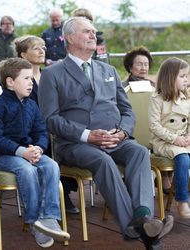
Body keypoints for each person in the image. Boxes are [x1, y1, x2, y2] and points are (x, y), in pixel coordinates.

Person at [38, 16, 174, 250]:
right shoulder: (52, 74)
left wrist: (122, 132)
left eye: (94, 31)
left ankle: (142, 216)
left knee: (140, 152)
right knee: (103, 161)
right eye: (87, 31)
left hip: (115, 138)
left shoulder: (107, 69)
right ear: (69, 38)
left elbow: (127, 111)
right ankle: (140, 228)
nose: (93, 35)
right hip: (76, 144)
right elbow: (51, 120)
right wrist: (87, 135)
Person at [0, 57, 70, 248]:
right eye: (26, 78)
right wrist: (22, 152)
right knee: (27, 170)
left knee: (51, 165)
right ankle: (33, 222)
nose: (31, 82)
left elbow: (41, 131)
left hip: (29, 152)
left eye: (32, 78)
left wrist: (38, 148)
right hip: (3, 156)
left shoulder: (32, 105)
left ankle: (48, 218)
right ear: (10, 82)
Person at [14, 35, 79, 214]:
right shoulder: (18, 80)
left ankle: (63, 190)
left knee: (70, 136)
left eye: (43, 47)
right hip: (31, 130)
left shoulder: (49, 75)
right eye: (36, 48)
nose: (42, 50)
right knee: (49, 141)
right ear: (23, 55)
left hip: (55, 124)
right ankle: (54, 196)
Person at [123, 46, 172, 194]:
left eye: (146, 64)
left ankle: (165, 179)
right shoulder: (122, 88)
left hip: (153, 131)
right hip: (132, 134)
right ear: (130, 67)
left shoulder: (154, 87)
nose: (143, 67)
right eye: (139, 64)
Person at [148, 57, 190, 219]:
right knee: (183, 158)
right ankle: (182, 200)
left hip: (183, 139)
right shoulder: (157, 99)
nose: (186, 79)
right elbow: (154, 126)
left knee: (184, 154)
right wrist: (174, 139)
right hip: (164, 141)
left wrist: (188, 136)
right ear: (170, 78)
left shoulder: (186, 99)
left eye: (187, 76)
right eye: (182, 76)